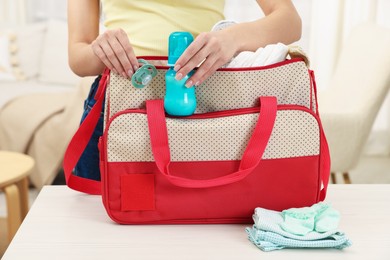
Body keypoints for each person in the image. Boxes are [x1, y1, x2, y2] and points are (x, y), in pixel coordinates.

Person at [67, 0, 301, 180]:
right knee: (99, 226)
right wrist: (102, 50)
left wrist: (232, 38)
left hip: (204, 98)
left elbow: (290, 21)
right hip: (120, 102)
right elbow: (78, 56)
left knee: (201, 215)